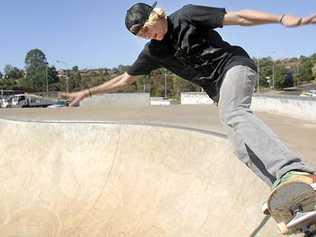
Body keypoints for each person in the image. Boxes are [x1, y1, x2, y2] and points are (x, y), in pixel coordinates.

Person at [63, 1, 316, 214]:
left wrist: (282, 18)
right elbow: (124, 79)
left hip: (235, 67)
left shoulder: (187, 15)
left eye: (146, 28)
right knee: (240, 148)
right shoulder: (153, 52)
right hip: (217, 89)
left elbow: (239, 18)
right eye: (140, 35)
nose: (146, 35)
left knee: (234, 113)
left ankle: (294, 171)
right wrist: (87, 92)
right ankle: (292, 195)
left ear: (156, 15)